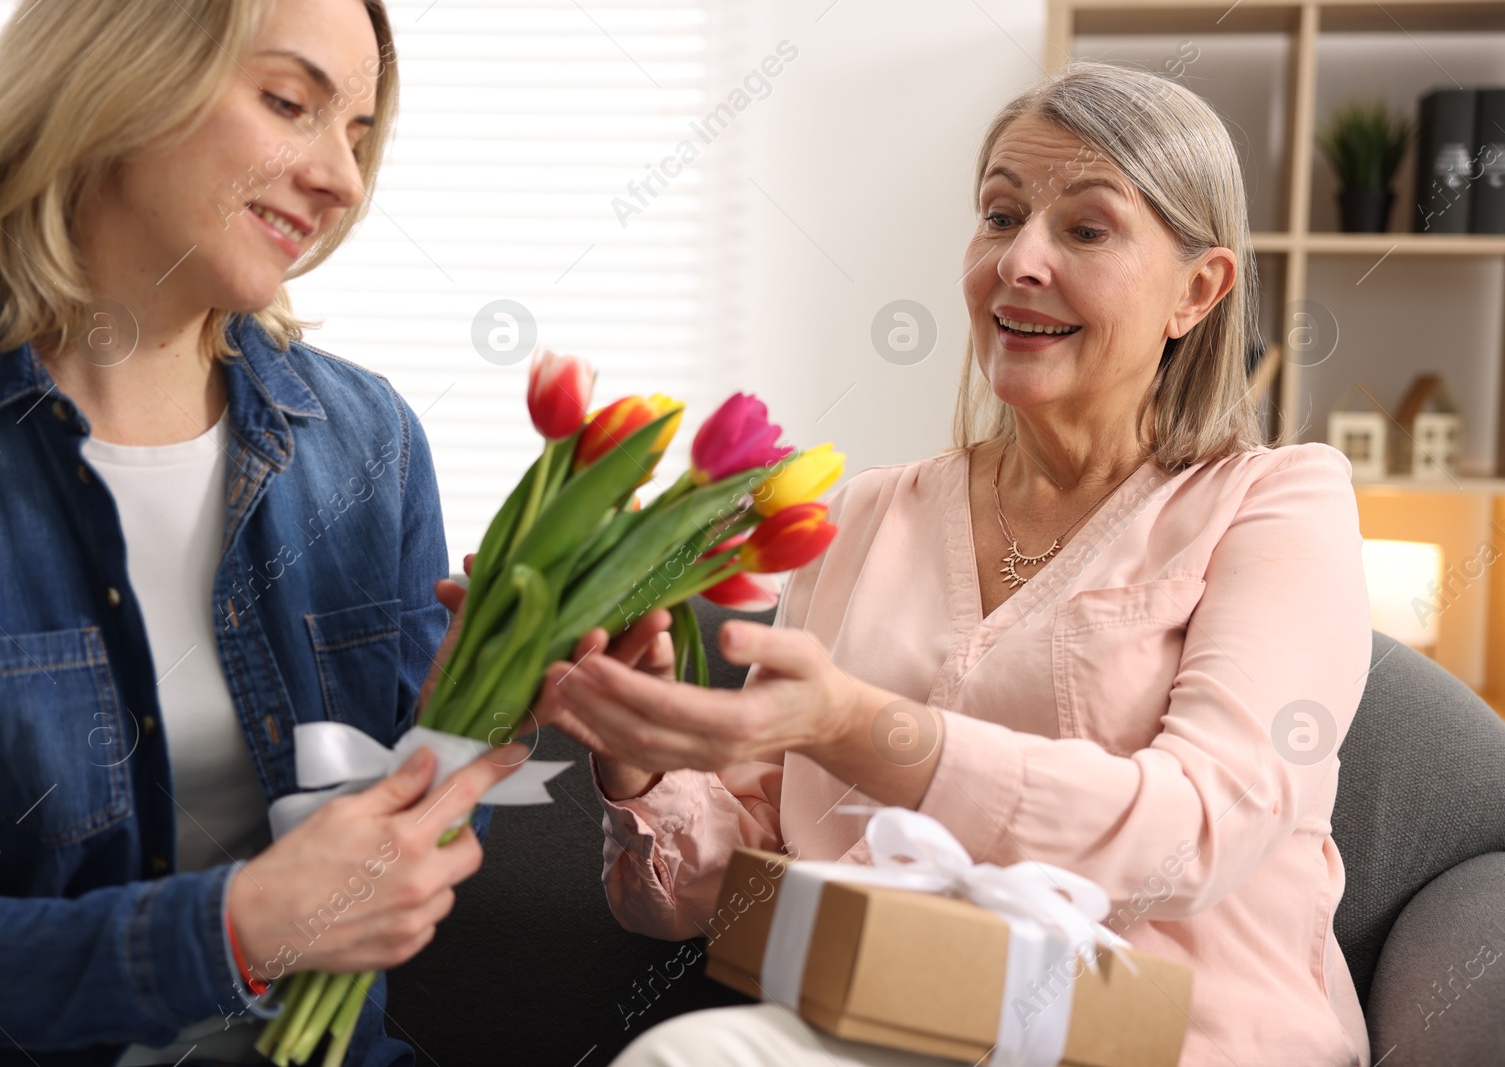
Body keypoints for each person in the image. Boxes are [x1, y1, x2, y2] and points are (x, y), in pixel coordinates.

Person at [540, 63, 1374, 1066]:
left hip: (1172, 1040)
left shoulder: (1275, 501)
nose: (1018, 260)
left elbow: (1193, 830)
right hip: (906, 1014)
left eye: (1085, 228)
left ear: (1197, 290)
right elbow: (708, 890)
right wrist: (636, 748)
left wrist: (860, 725)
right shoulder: (863, 515)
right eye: (999, 215)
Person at [0, 1, 532, 1063]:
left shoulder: (367, 441)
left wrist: (504, 693)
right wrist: (231, 932)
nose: (341, 179)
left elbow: (410, 852)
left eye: (359, 138)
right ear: (115, 73)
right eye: (292, 104)